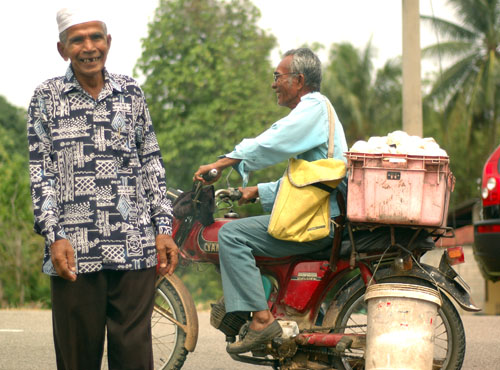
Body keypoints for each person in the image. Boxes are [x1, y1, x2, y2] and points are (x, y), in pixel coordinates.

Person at [26, 8, 178, 370]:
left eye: (96, 37)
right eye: (77, 40)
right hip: (75, 249)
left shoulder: (130, 91)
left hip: (134, 244)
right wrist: (54, 236)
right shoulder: (46, 97)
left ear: (108, 43)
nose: (88, 47)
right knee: (78, 357)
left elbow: (151, 161)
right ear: (63, 49)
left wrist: (162, 228)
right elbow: (41, 173)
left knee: (134, 356)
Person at [194, 47, 348, 353]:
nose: (273, 83)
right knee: (242, 230)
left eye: (277, 77)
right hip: (324, 216)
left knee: (232, 235)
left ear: (299, 79)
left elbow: (273, 140)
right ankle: (267, 310)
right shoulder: (317, 111)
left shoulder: (313, 107)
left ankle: (262, 321)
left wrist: (224, 161)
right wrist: (254, 192)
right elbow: (304, 181)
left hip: (321, 222)